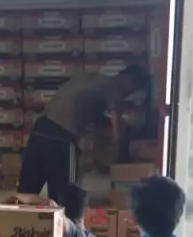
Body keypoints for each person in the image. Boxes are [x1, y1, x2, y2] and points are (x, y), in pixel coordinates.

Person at [18, 65, 149, 204]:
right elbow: (116, 125)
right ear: (130, 81)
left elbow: (91, 116)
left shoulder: (90, 78)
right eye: (132, 91)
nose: (129, 95)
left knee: (25, 193)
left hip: (39, 130)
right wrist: (121, 157)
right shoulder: (112, 88)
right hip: (61, 137)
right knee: (65, 197)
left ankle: (13, 223)